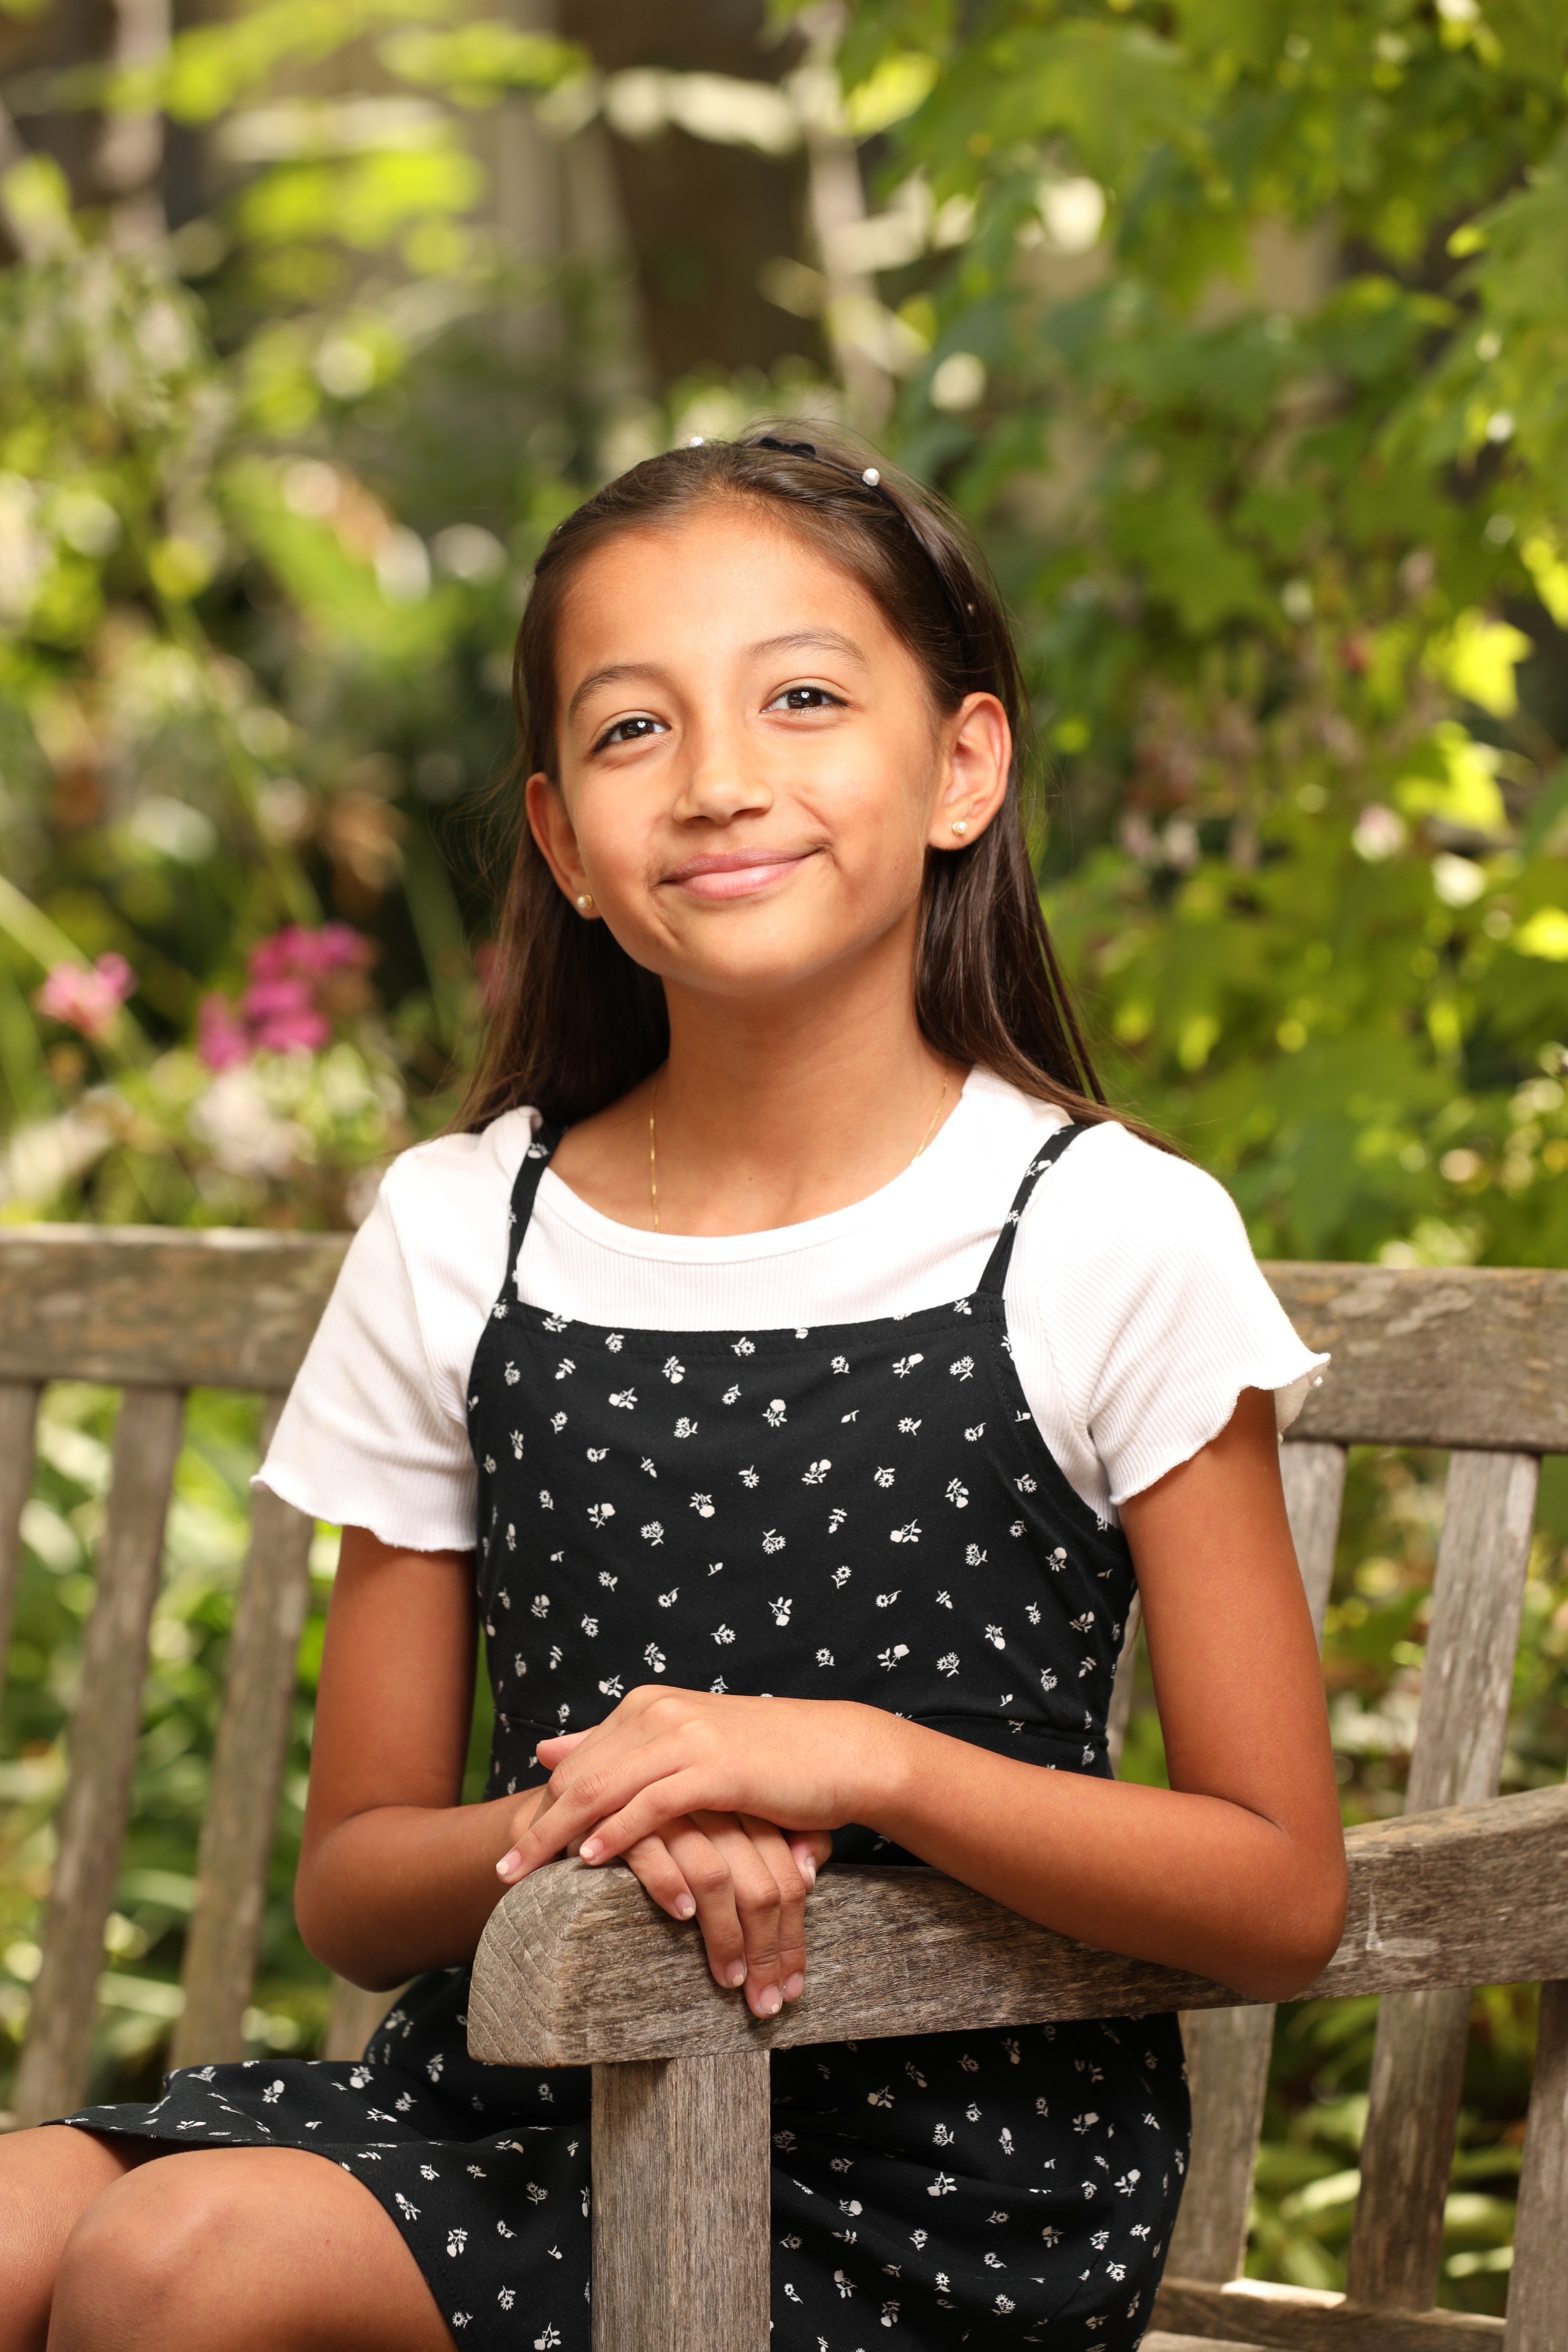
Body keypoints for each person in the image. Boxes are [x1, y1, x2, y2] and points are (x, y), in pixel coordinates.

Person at [0, 433, 1346, 2352]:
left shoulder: (1105, 1229)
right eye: (635, 729)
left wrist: (850, 1760)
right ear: (562, 842)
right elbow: (364, 1889)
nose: (719, 778)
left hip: (941, 2187)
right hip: (521, 2101)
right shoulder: (467, 1232)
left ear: (964, 766)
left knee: (179, 2263)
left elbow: (1281, 1889)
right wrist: (621, 1819)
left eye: (803, 698)